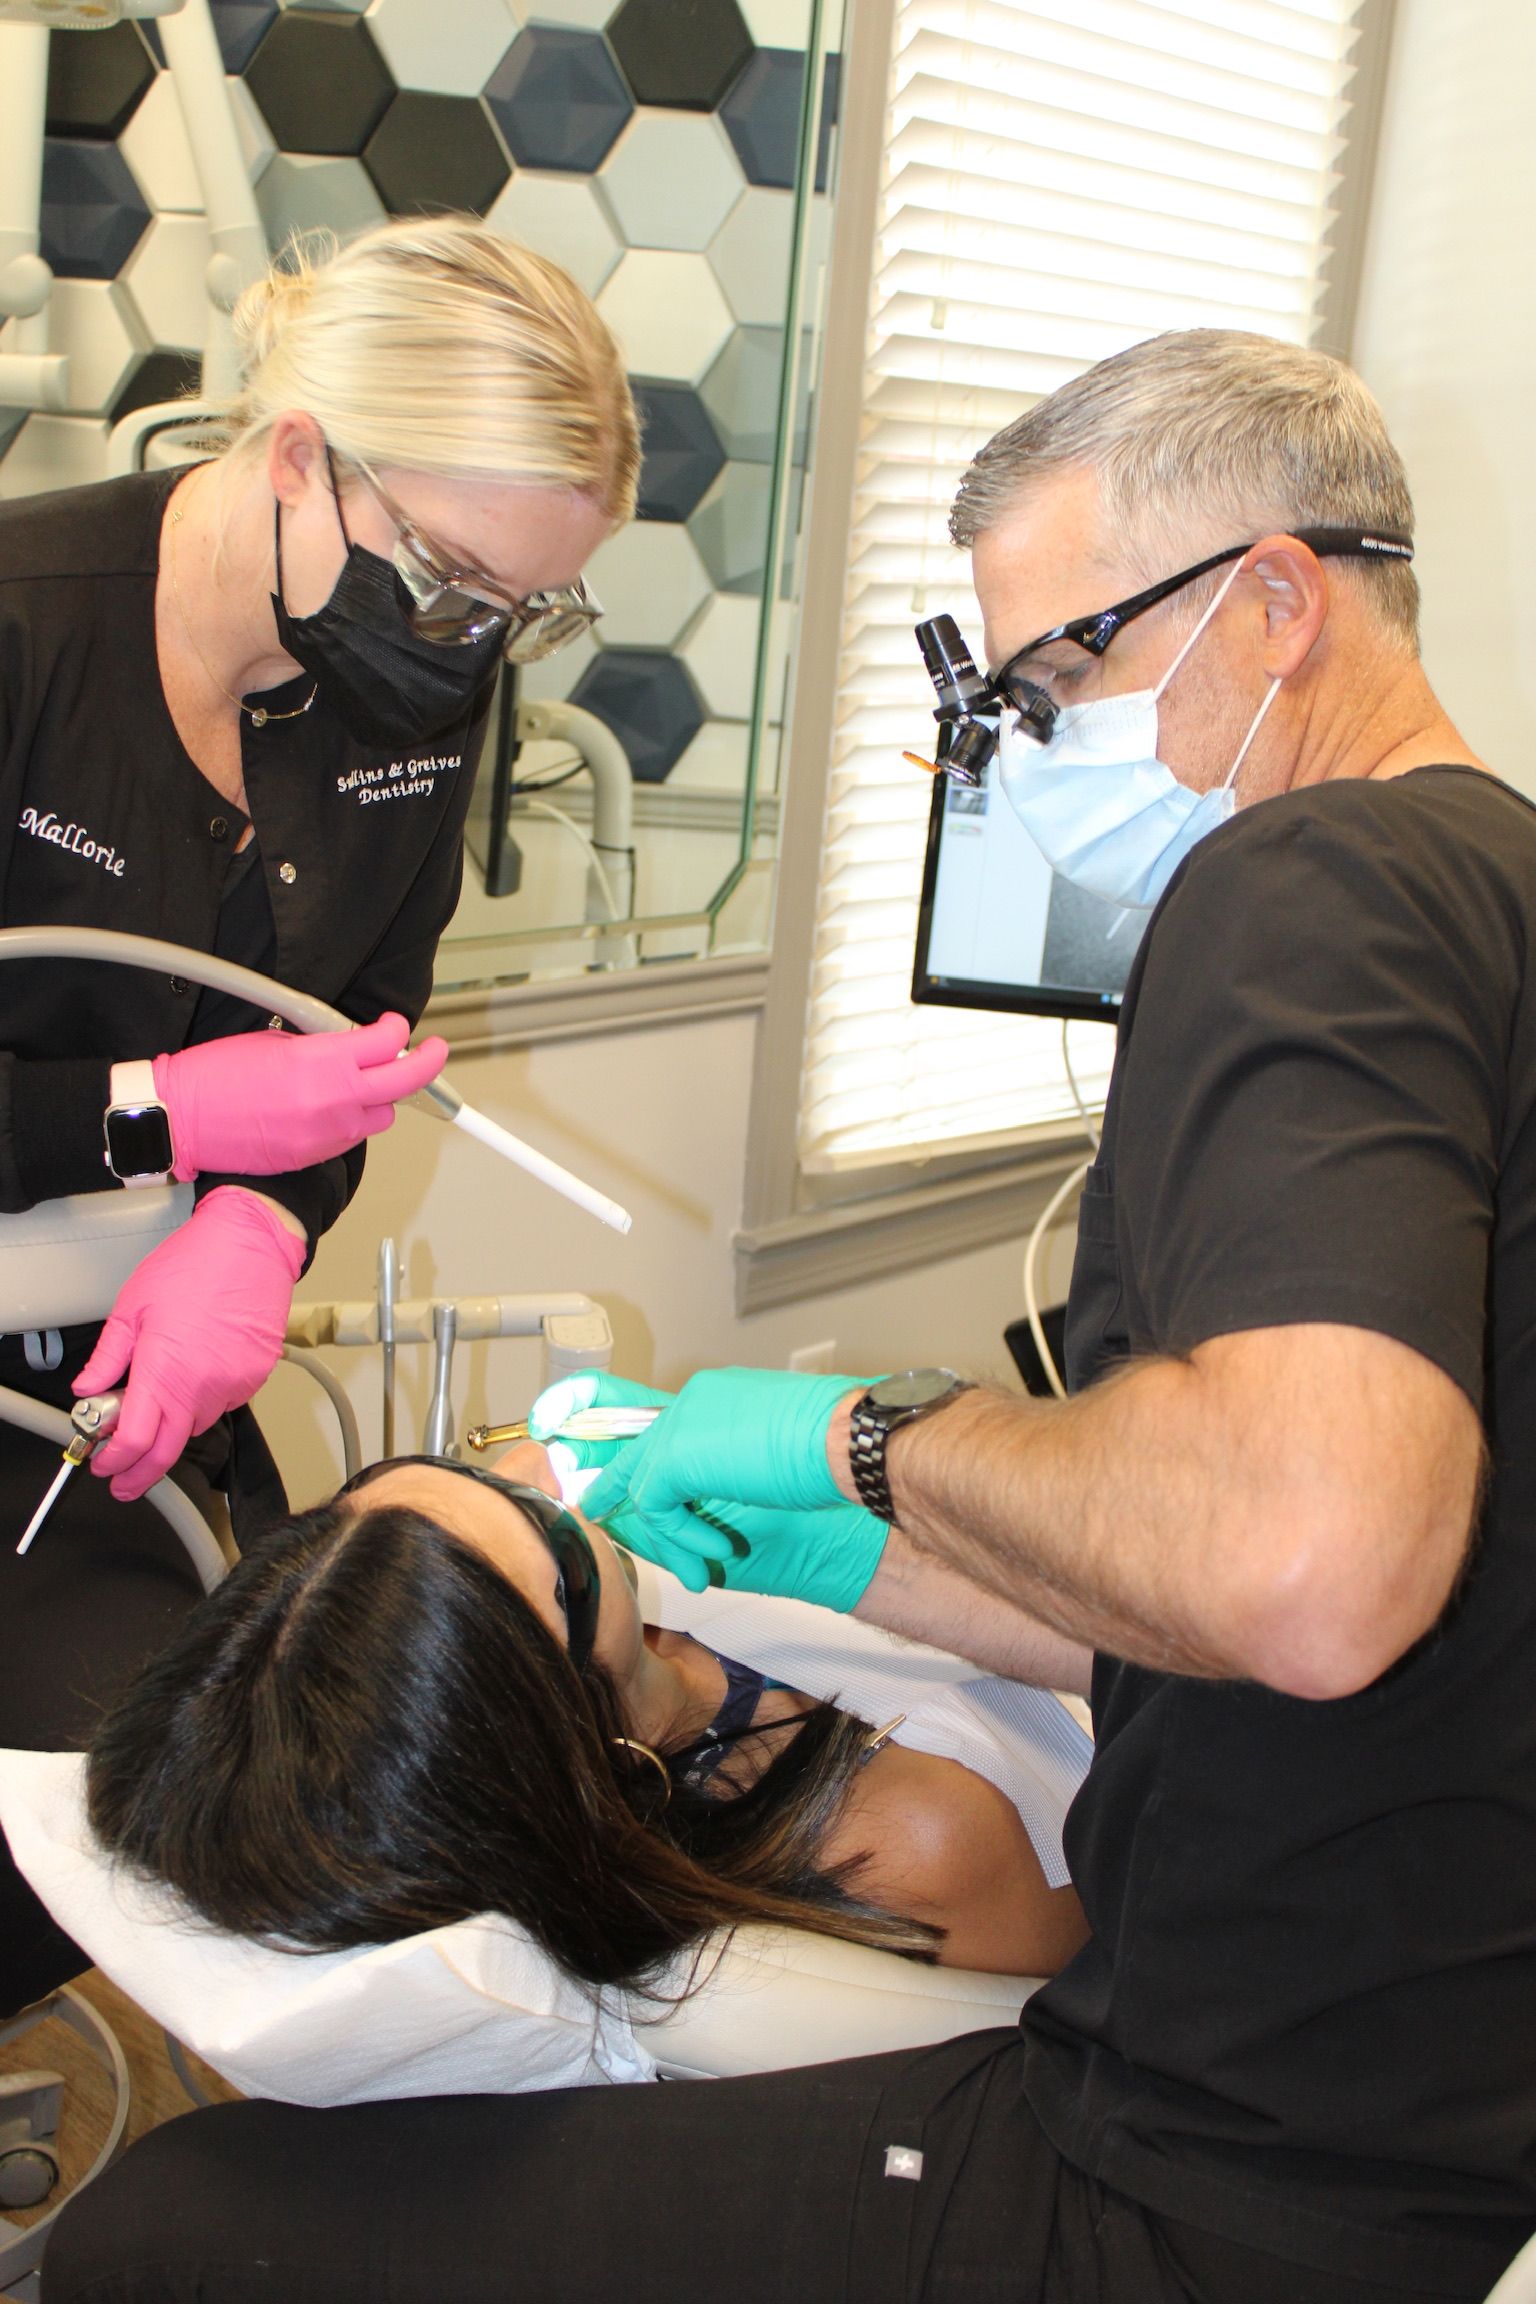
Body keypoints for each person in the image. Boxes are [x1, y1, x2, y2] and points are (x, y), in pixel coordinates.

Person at [43, 329, 1530, 2304]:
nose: (1013, 749)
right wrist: (871, 1546)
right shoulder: (1493, 874)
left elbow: (1305, 1568)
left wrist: (864, 1439)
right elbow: (1320, 1599)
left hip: (1222, 2161)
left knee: (161, 2235)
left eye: (1052, 678)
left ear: (1275, 603)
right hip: (1426, 2071)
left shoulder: (1310, 883)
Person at [0, 214, 637, 2011]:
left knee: (205, 1807)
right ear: (297, 458)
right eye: (449, 583)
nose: (473, 645)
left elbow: (364, 1034)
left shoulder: (410, 695)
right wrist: (157, 1113)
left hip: (116, 1401)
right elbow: (231, 1085)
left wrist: (262, 1224)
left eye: (526, 609)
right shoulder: (25, 629)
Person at [82, 1442, 1089, 1984]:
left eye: (463, 1470)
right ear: (564, 1724)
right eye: (551, 1540)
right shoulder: (904, 1840)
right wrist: (887, 1491)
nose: (538, 1466)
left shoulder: (628, 1576)